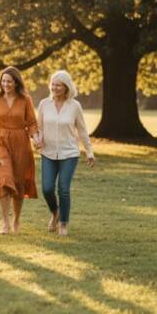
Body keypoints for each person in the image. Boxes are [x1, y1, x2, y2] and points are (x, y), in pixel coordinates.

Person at [0, 66, 40, 234]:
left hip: (21, 144)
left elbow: (31, 122)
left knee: (19, 183)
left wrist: (36, 138)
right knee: (5, 179)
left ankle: (16, 219)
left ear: (16, 82)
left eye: (9, 81)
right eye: (3, 81)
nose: (5, 84)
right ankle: (5, 222)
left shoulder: (25, 99)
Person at [37, 70, 95, 236]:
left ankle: (63, 223)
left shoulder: (74, 106)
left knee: (63, 188)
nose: (54, 88)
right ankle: (55, 213)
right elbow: (39, 127)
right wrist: (38, 139)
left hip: (69, 153)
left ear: (66, 87)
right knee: (47, 189)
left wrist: (89, 151)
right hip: (48, 152)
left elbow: (82, 130)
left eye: (58, 85)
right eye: (53, 84)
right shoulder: (44, 104)